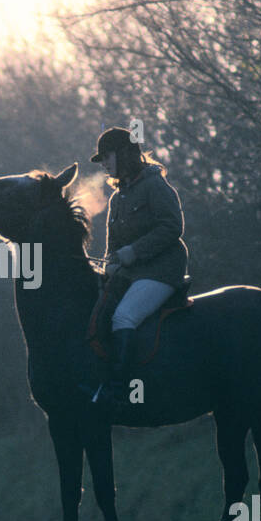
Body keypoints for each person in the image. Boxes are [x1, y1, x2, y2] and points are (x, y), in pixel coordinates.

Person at [90, 127, 190, 409]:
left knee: (124, 317)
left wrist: (133, 252)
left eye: (107, 158)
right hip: (131, 274)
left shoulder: (155, 186)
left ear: (124, 154)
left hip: (162, 270)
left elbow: (172, 227)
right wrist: (109, 263)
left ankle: (119, 390)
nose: (105, 165)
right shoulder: (117, 197)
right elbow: (113, 245)